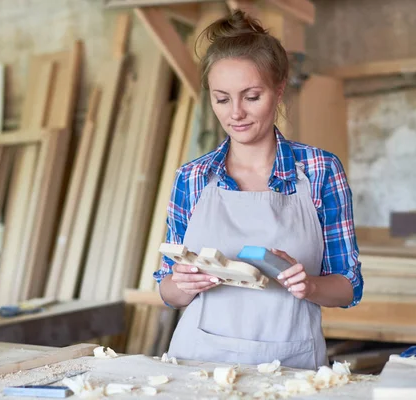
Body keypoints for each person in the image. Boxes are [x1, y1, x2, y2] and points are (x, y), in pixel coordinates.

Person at [153, 10, 363, 370]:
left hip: (290, 365)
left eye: (251, 96)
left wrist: (309, 285)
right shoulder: (192, 177)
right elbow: (167, 292)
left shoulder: (319, 171)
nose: (236, 113)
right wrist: (183, 284)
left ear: (278, 89)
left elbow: (349, 286)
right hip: (198, 363)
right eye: (221, 99)